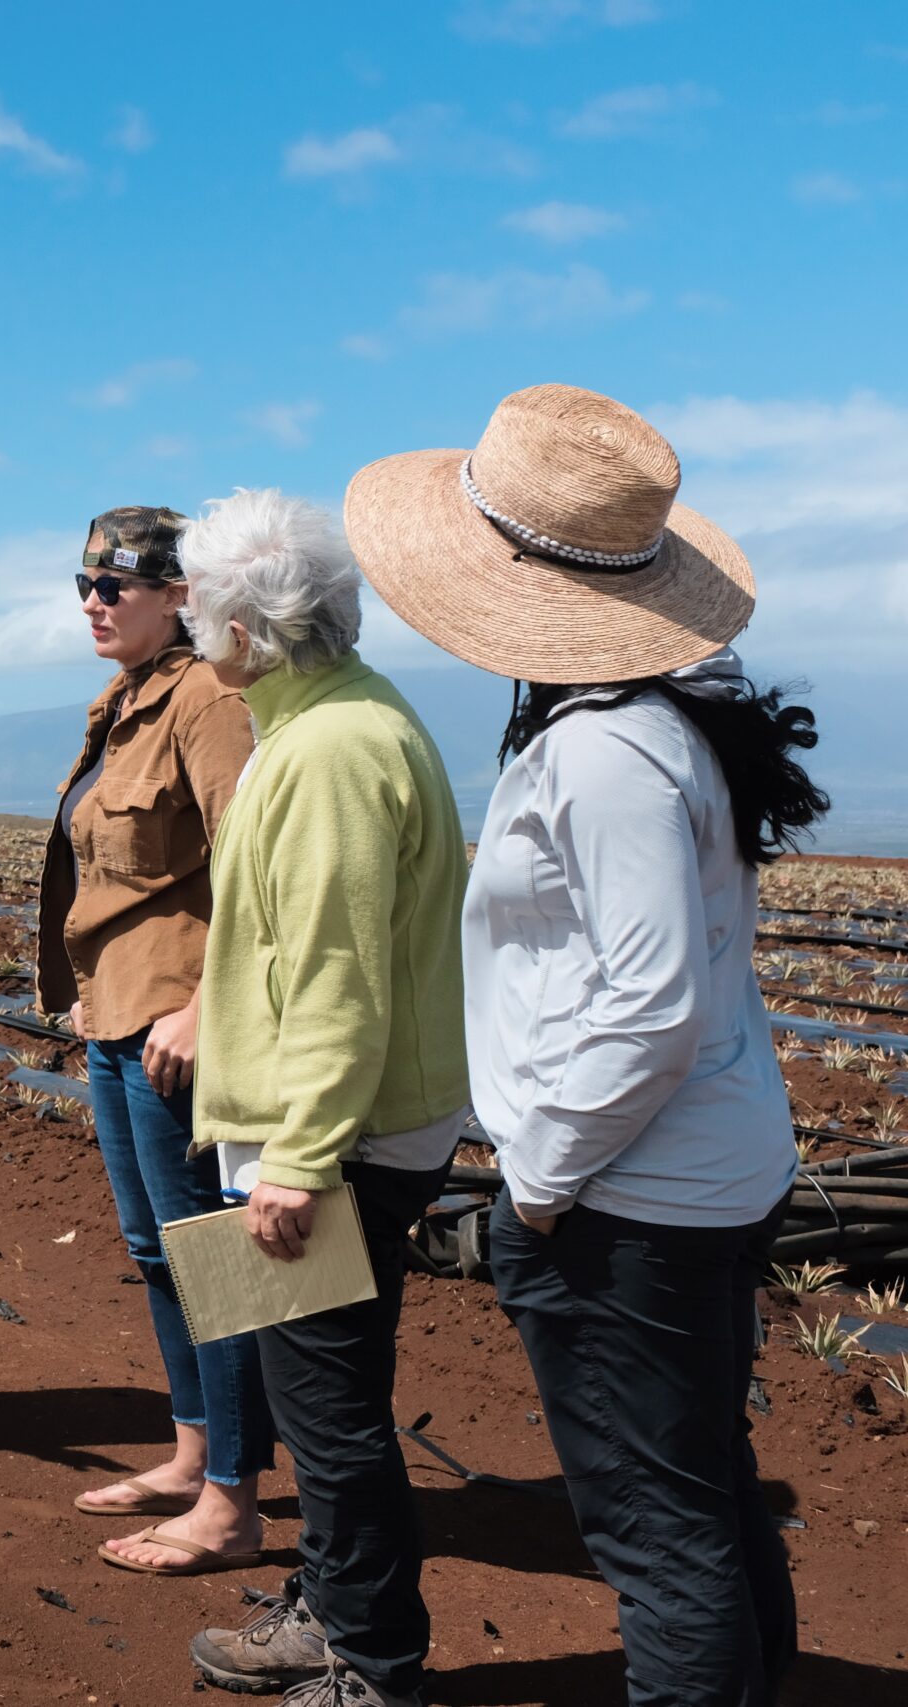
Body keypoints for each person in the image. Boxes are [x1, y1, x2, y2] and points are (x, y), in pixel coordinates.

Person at [349, 384, 817, 1707]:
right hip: (700, 1173)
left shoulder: (607, 751)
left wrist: (541, 1180)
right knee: (702, 1478)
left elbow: (649, 1003)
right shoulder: (664, 717)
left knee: (651, 1523)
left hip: (629, 1197)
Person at [172, 489, 472, 1707]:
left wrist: (297, 1158)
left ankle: (373, 1668)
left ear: (246, 627)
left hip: (328, 1141)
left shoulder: (331, 751)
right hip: (309, 1132)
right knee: (317, 1394)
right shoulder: (314, 721)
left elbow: (336, 976)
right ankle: (326, 1611)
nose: (188, 618)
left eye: (198, 600)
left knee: (332, 1407)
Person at [38, 508, 270, 1577]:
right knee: (156, 1253)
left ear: (180, 594)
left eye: (116, 584)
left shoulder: (209, 700)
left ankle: (233, 1500)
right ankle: (190, 1457)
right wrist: (94, 991)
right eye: (85, 582)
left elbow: (253, 867)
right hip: (119, 1015)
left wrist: (201, 1007)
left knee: (215, 1260)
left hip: (180, 1027)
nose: (93, 599)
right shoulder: (123, 702)